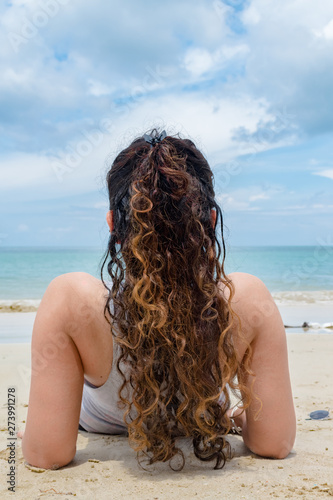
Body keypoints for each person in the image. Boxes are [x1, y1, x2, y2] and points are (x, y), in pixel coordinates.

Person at [20, 129, 296, 471]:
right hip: (202, 415)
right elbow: (275, 443)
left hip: (100, 422)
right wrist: (242, 418)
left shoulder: (70, 300)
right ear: (209, 221)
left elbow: (47, 456)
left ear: (113, 227)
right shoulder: (247, 299)